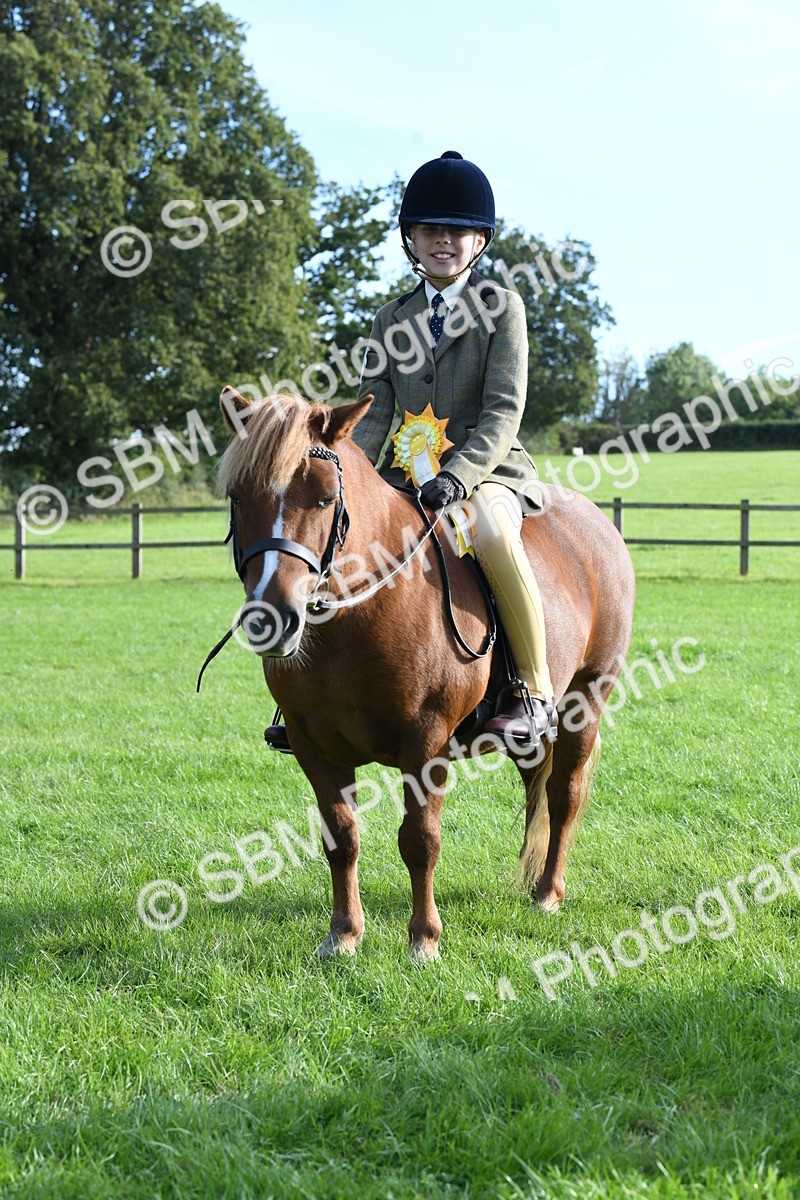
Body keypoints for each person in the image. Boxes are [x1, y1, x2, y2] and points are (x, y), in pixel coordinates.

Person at [351, 150, 556, 745]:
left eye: (457, 230)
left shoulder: (501, 308)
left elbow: (503, 412)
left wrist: (460, 476)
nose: (443, 240)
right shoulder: (389, 319)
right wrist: (352, 471)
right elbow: (374, 410)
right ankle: (319, 696)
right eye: (430, 230)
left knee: (489, 533)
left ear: (479, 240)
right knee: (337, 529)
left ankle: (534, 691)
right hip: (404, 472)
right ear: (410, 239)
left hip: (487, 471)